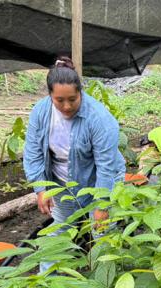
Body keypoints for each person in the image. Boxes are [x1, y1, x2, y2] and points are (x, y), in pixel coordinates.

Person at [23, 57, 125, 271]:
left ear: (81, 92)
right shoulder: (41, 113)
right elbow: (32, 153)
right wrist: (41, 188)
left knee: (103, 235)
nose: (67, 106)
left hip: (102, 181)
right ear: (50, 95)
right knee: (58, 234)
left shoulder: (98, 119)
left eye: (73, 99)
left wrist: (102, 204)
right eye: (60, 100)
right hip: (63, 184)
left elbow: (106, 166)